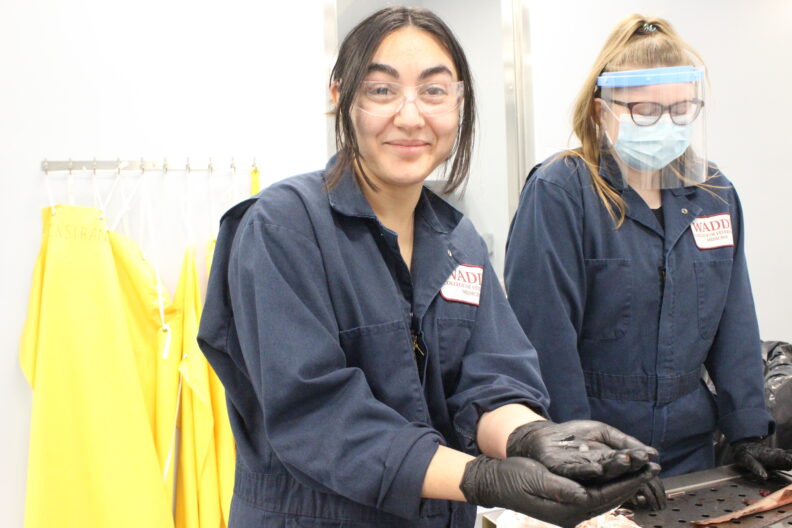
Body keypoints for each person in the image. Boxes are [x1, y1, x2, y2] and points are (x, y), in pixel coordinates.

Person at [198, 6, 658, 528]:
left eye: (435, 91)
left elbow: (492, 378)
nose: (411, 116)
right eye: (381, 90)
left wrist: (531, 436)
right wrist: (481, 479)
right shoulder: (282, 228)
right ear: (339, 96)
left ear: (459, 103)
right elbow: (319, 416)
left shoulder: (459, 241)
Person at [504, 14, 792, 512]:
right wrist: (590, 456)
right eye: (645, 111)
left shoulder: (713, 194)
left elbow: (735, 321)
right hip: (597, 447)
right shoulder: (562, 191)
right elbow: (545, 339)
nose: (665, 124)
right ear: (602, 111)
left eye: (681, 110)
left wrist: (746, 430)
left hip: (691, 449)